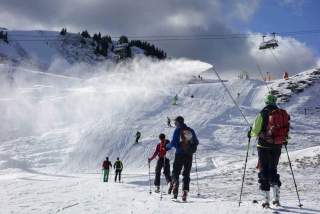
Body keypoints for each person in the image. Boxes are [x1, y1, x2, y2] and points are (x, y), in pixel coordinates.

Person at [249, 94, 290, 208]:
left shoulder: (263, 113)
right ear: (274, 101)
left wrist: (250, 132)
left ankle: (266, 201)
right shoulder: (282, 114)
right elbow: (285, 131)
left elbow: (255, 131)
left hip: (263, 146)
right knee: (273, 170)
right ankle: (276, 198)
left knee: (264, 172)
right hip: (277, 146)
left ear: (266, 102)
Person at [166, 116, 199, 201]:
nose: (175, 124)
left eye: (175, 122)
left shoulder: (177, 130)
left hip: (179, 154)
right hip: (189, 155)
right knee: (186, 174)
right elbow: (196, 142)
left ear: (179, 122)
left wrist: (167, 146)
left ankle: (175, 187)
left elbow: (173, 143)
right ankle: (185, 192)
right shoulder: (190, 130)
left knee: (175, 172)